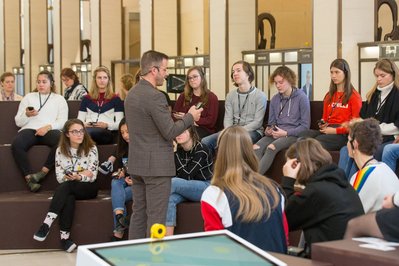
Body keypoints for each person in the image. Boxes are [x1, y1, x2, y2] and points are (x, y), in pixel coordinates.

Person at [124, 50, 202, 239]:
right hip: (156, 167)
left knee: (139, 214)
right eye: (165, 69)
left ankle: (134, 257)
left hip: (137, 164)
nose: (167, 74)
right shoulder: (155, 96)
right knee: (156, 219)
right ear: (153, 70)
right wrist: (190, 117)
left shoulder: (131, 94)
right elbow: (169, 132)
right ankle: (153, 258)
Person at [201, 126, 287, 253]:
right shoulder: (275, 189)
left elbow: (216, 250)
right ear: (250, 150)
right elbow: (284, 237)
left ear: (220, 153)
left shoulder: (214, 194)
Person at [282, 138, 364, 257]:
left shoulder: (317, 191)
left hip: (328, 259)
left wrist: (288, 180)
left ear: (296, 164)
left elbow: (284, 219)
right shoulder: (341, 184)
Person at [33, 119, 98, 252]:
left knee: (68, 187)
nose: (79, 134)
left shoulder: (91, 148)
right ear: (67, 134)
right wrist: (80, 174)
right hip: (69, 186)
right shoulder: (60, 151)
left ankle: (47, 223)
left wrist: (78, 177)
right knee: (68, 195)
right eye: (75, 131)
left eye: (81, 131)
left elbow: (92, 176)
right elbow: (59, 177)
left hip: (88, 188)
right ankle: (65, 239)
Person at [339, 58, 399, 178]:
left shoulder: (397, 94)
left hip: (388, 138)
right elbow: (362, 118)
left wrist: (374, 128)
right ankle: (343, 186)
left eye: (382, 75)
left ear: (393, 75)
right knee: (346, 150)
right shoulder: (373, 94)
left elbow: (396, 127)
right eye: (376, 76)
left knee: (363, 151)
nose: (378, 79)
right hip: (370, 136)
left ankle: (355, 188)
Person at [11, 70, 68, 192]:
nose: (41, 84)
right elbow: (18, 122)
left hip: (50, 129)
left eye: (44, 82)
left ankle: (42, 173)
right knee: (16, 144)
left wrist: (47, 127)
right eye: (38, 82)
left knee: (62, 140)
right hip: (30, 129)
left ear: (51, 83)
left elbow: (63, 121)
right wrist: (26, 115)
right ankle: (29, 179)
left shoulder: (59, 99)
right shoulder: (28, 97)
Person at [201, 60, 267, 154]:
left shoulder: (260, 96)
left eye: (238, 70)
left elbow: (257, 123)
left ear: (248, 74)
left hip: (253, 131)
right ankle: (213, 168)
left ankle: (234, 168)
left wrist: (237, 131)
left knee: (236, 140)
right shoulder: (230, 95)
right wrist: (230, 131)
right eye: (233, 72)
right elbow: (227, 119)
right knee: (205, 142)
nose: (235, 74)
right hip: (231, 130)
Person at [254, 66, 310, 175]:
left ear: (290, 80)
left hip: (292, 134)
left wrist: (286, 133)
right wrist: (269, 130)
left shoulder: (302, 98)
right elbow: (271, 122)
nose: (278, 85)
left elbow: (305, 126)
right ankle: (249, 178)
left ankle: (253, 180)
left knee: (271, 148)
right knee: (256, 147)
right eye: (276, 83)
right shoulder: (275, 99)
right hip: (276, 133)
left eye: (281, 82)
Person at [299, 59, 362, 151]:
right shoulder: (329, 95)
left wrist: (335, 131)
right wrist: (323, 124)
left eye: (337, 72)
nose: (333, 76)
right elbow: (324, 118)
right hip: (328, 130)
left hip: (343, 134)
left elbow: (355, 125)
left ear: (346, 73)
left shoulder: (354, 96)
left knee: (315, 143)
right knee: (302, 136)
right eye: (331, 72)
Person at [165, 126, 213, 236]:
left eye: (183, 131)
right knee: (170, 198)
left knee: (172, 182)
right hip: (186, 188)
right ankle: (168, 240)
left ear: (191, 133)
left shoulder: (202, 149)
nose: (179, 134)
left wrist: (175, 152)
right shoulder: (180, 150)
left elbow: (186, 175)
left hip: (206, 187)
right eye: (177, 131)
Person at [347, 118, 399, 213]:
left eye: (348, 140)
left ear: (355, 144)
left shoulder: (361, 177)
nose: (347, 145)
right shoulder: (386, 168)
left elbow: (350, 214)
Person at [78, 66, 124, 144]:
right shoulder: (86, 98)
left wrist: (107, 125)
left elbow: (120, 123)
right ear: (95, 80)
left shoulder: (115, 99)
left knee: (84, 134)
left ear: (108, 80)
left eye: (105, 77)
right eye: (99, 77)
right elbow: (79, 120)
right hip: (88, 129)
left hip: (106, 132)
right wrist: (85, 124)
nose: (102, 80)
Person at [173, 66, 219, 138]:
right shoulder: (182, 96)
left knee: (186, 134)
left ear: (202, 78)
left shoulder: (211, 97)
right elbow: (174, 115)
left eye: (195, 76)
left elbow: (210, 122)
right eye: (189, 78)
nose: (192, 80)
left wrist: (188, 118)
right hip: (183, 127)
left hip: (203, 130)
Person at [110, 118, 132, 241]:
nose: (125, 135)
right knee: (115, 181)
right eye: (122, 133)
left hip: (141, 186)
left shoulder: (143, 147)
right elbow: (120, 169)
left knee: (118, 195)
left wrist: (136, 181)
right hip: (125, 184)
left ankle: (118, 233)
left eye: (127, 132)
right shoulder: (123, 148)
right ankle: (120, 219)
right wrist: (120, 172)